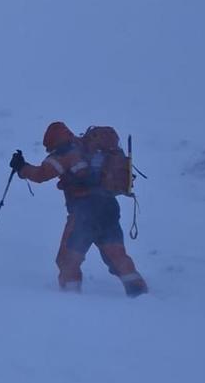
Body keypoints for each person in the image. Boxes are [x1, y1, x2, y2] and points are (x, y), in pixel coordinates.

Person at [11, 121, 148, 296]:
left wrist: (21, 168)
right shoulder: (87, 148)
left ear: (53, 142)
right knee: (117, 255)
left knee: (68, 259)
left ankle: (71, 297)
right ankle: (139, 293)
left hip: (85, 212)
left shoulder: (65, 154)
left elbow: (41, 175)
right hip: (109, 209)